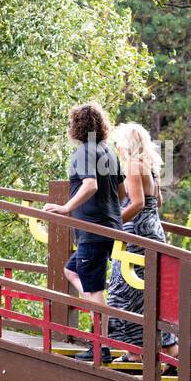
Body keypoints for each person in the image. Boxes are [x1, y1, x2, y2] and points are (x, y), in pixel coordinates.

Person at [43, 102, 123, 362]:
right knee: (72, 271)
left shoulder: (84, 152)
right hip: (110, 227)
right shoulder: (108, 152)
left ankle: (101, 345)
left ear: (77, 126)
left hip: (91, 229)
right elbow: (121, 192)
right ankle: (100, 308)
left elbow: (90, 185)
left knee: (93, 289)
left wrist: (66, 207)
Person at [106, 122, 178, 361]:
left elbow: (137, 203)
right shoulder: (148, 165)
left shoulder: (133, 166)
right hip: (152, 231)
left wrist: (113, 224)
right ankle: (169, 350)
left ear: (125, 144)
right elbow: (156, 202)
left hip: (137, 235)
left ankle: (136, 353)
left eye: (117, 143)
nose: (116, 148)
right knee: (151, 293)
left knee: (124, 289)